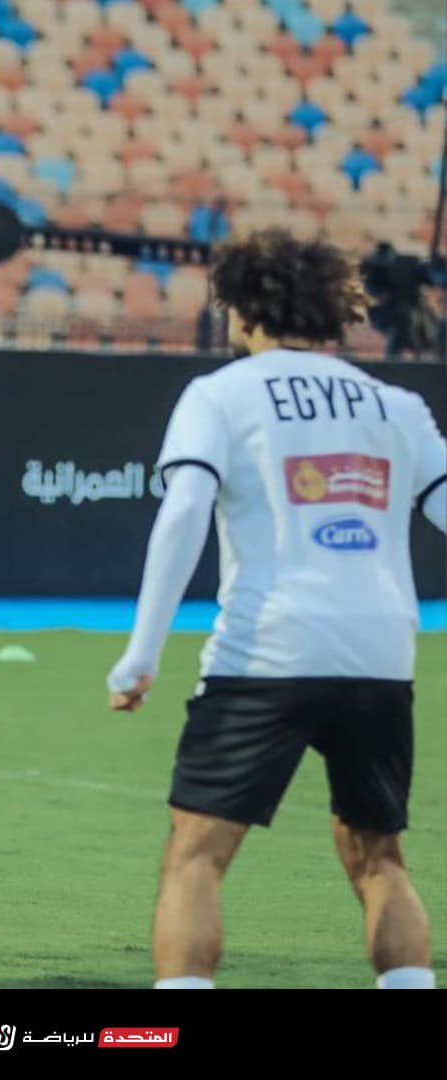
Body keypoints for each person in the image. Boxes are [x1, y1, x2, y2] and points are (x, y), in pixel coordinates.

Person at [107, 228, 446, 989]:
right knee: (380, 858)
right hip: (382, 658)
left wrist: (141, 654)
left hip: (266, 652)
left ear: (243, 307)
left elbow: (184, 512)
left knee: (195, 857)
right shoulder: (397, 405)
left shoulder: (219, 395)